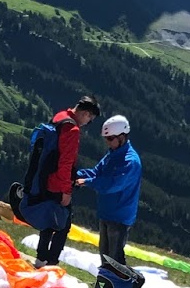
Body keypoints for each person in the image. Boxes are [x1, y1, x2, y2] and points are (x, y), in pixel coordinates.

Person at [32, 95, 100, 266]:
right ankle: (51, 263)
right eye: (90, 119)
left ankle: (40, 258)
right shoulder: (72, 130)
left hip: (45, 177)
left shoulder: (60, 117)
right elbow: (65, 163)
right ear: (85, 113)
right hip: (58, 183)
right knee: (63, 226)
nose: (88, 122)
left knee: (49, 220)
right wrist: (66, 191)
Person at [76, 114, 142, 264]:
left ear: (122, 137)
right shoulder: (112, 154)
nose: (107, 142)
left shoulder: (130, 161)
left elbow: (112, 184)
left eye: (110, 138)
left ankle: (115, 279)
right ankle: (105, 278)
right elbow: (97, 172)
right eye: (106, 138)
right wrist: (76, 175)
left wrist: (87, 182)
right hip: (107, 213)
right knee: (105, 256)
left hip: (119, 217)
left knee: (114, 259)